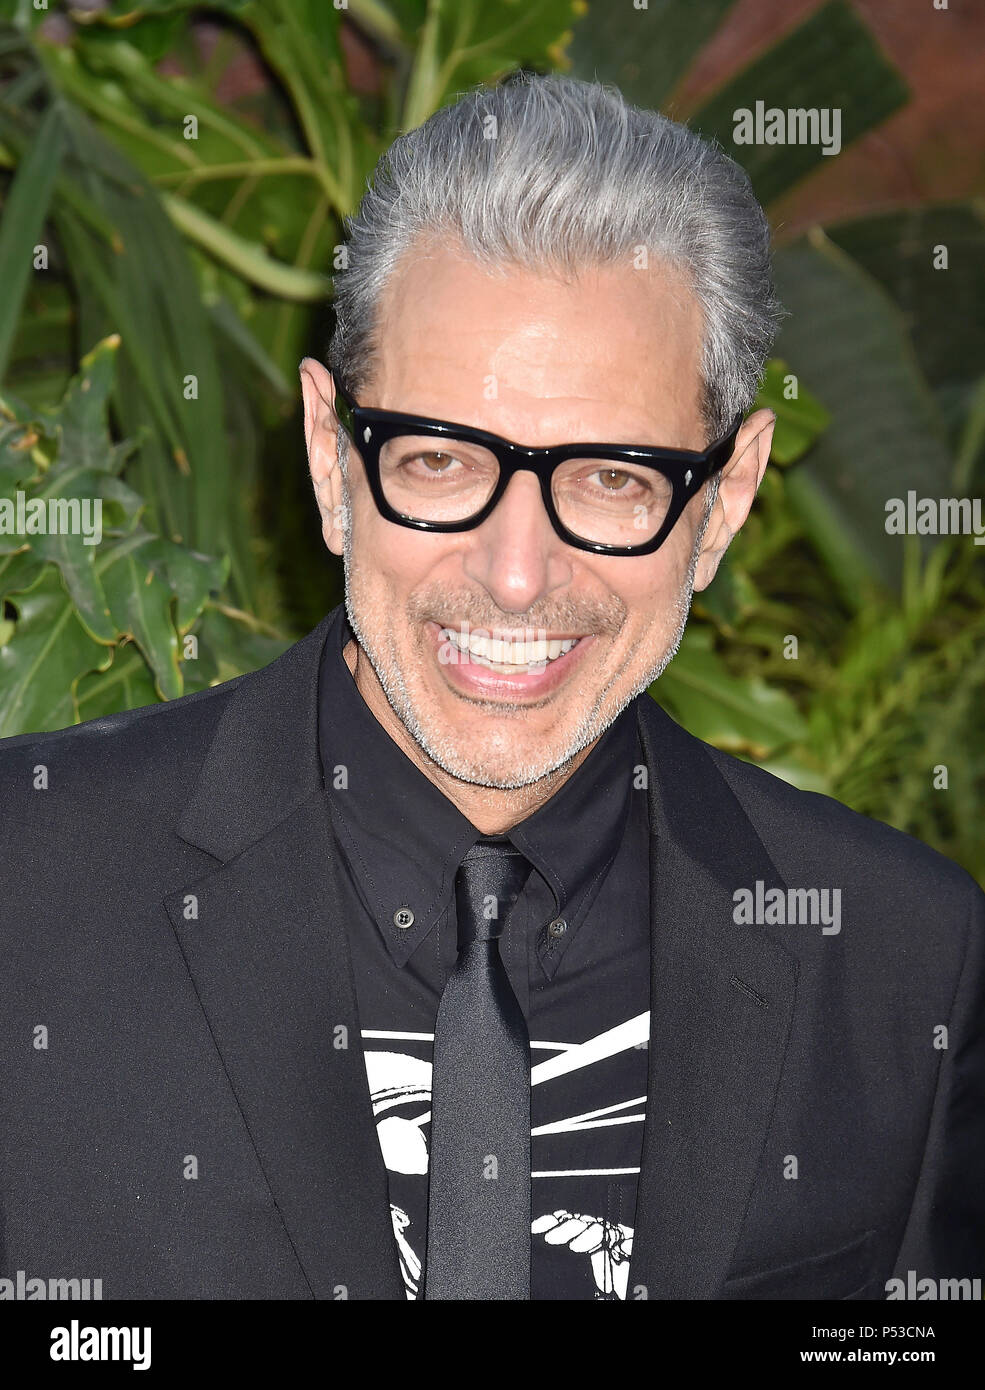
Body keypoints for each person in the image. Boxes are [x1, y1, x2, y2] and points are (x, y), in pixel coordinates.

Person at [1, 73, 981, 1303]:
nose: (517, 578)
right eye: (439, 459)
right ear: (329, 460)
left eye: (612, 480)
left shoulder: (902, 964)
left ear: (722, 502)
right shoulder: (22, 892)